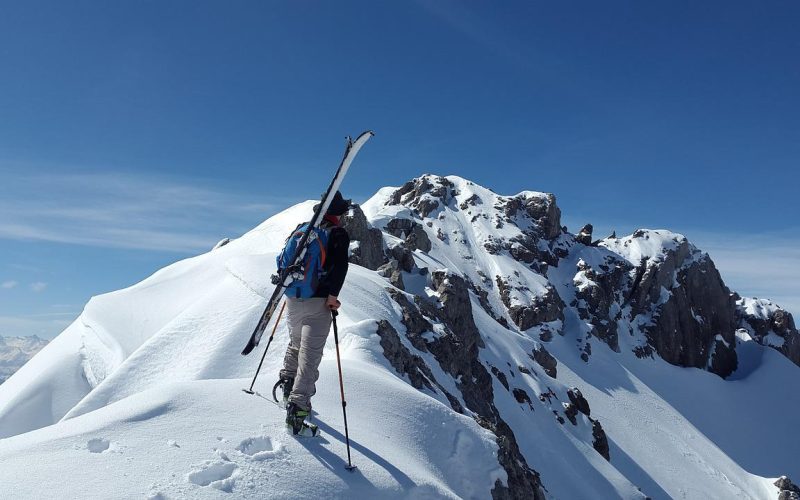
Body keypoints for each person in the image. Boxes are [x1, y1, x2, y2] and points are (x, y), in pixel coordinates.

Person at [277, 191, 351, 435]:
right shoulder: (337, 233)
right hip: (317, 302)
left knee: (296, 344)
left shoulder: (304, 229)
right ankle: (297, 411)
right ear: (338, 212)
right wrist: (332, 297)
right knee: (310, 357)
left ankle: (287, 384)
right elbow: (340, 266)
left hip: (294, 297)